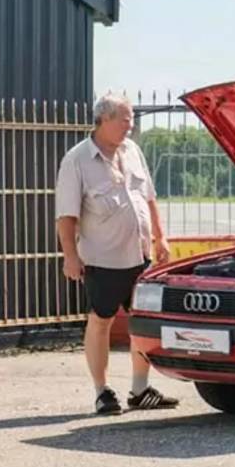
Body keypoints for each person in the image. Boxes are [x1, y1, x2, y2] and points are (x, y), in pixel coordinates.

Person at [55, 93, 177, 415]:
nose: (130, 125)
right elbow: (66, 215)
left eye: (132, 119)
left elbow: (148, 197)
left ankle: (140, 389)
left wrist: (160, 237)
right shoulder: (77, 160)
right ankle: (102, 391)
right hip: (102, 258)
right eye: (124, 119)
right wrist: (70, 256)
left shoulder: (133, 151)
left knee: (142, 322)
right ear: (104, 119)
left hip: (139, 255)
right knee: (101, 321)